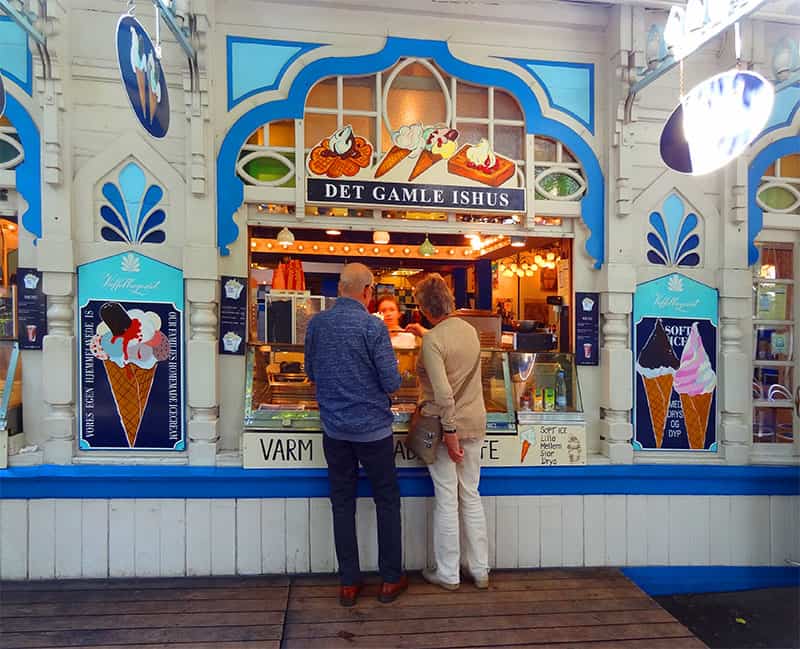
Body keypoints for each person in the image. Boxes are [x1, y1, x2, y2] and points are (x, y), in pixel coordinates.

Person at [304, 263, 408, 607]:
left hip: (334, 429)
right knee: (387, 501)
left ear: (339, 289)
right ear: (368, 291)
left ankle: (349, 582)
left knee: (342, 503)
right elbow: (392, 381)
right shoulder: (372, 327)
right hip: (373, 431)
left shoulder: (318, 324)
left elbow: (310, 371)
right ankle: (390, 579)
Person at [411, 273, 489, 591]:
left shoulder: (433, 340)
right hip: (477, 421)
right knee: (470, 494)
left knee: (446, 498)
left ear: (423, 307)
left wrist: (451, 436)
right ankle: (480, 569)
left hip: (447, 429)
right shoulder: (469, 330)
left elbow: (443, 396)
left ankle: (448, 573)